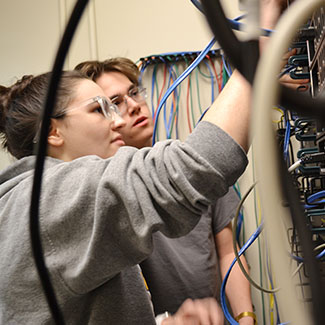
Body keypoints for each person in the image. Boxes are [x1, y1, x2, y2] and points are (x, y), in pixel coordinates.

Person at [74, 57, 255, 324]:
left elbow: (229, 251)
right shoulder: (105, 193)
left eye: (134, 92)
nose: (134, 106)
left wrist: (246, 318)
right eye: (116, 102)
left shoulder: (194, 169)